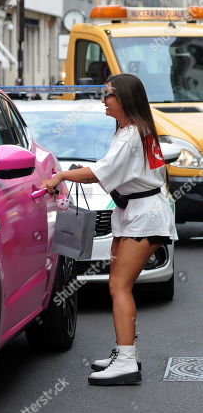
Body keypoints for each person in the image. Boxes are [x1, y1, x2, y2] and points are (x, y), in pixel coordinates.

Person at [41, 73, 177, 386]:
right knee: (118, 285)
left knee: (118, 286)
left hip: (143, 217)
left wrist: (60, 176)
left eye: (109, 94)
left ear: (125, 99)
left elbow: (98, 173)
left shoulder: (132, 135)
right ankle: (125, 350)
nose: (104, 99)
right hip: (134, 213)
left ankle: (127, 362)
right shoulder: (131, 130)